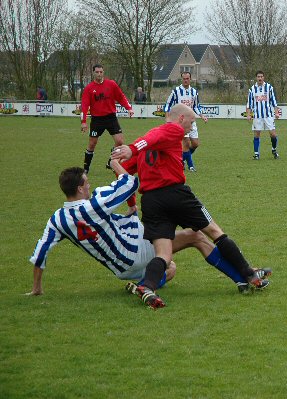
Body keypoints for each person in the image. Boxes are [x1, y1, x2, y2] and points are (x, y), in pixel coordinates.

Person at [111, 103, 269, 309]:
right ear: (181, 119)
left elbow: (124, 174)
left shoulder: (149, 141)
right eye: (191, 122)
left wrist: (118, 166)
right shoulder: (173, 129)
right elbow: (148, 141)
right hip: (176, 194)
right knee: (215, 232)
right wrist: (132, 149)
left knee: (164, 255)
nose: (191, 127)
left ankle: (148, 286)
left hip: (151, 201)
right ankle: (249, 274)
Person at [28, 163, 268, 298]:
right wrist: (116, 165)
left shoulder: (57, 219)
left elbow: (40, 254)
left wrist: (37, 288)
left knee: (171, 269)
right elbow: (130, 183)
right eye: (87, 182)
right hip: (137, 250)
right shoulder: (94, 204)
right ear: (80, 189)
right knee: (196, 235)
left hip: (122, 269)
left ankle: (142, 283)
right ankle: (243, 279)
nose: (90, 184)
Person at [80, 63, 134, 174]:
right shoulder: (89, 88)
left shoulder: (111, 84)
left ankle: (111, 161)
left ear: (103, 72)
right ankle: (86, 168)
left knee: (119, 141)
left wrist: (129, 108)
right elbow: (85, 106)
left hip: (111, 118)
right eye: (97, 72)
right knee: (92, 144)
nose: (99, 74)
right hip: (97, 120)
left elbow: (121, 97)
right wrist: (83, 121)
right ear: (93, 73)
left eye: (101, 72)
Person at [164, 72, 207, 172]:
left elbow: (196, 106)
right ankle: (191, 166)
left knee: (195, 144)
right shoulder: (176, 91)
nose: (186, 80)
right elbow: (167, 105)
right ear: (181, 79)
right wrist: (167, 119)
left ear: (190, 79)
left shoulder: (194, 92)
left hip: (192, 121)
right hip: (181, 122)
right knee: (186, 143)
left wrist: (202, 116)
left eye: (187, 78)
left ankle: (181, 159)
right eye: (184, 79)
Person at [246, 70, 280, 160]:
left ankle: (274, 150)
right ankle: (256, 154)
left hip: (268, 115)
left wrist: (276, 112)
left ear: (263, 77)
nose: (260, 78)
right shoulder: (252, 89)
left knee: (273, 134)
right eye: (258, 77)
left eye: (261, 76)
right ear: (256, 78)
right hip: (257, 116)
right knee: (257, 134)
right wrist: (248, 115)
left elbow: (274, 101)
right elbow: (249, 104)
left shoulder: (269, 87)